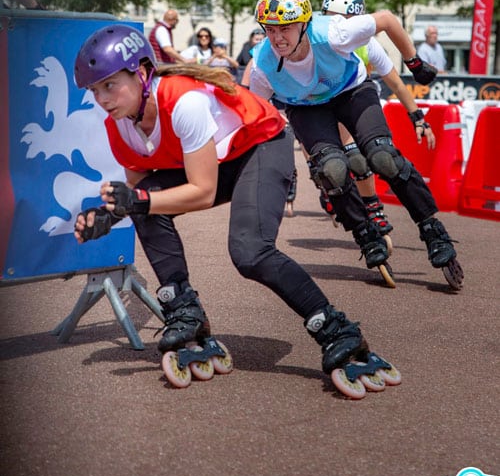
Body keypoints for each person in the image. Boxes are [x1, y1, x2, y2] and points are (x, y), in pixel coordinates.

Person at [72, 23, 391, 390]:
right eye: (95, 90)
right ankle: (184, 312)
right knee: (147, 205)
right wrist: (109, 214)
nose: (102, 98)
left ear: (142, 72)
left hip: (263, 146)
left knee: (250, 252)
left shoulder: (182, 101)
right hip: (222, 159)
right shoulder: (119, 125)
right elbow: (139, 190)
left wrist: (136, 202)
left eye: (109, 84)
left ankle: (338, 330)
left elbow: (202, 192)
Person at [249, 0, 462, 285]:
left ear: (305, 24)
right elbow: (256, 113)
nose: (277, 38)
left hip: (352, 92)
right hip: (307, 108)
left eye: (285, 28)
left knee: (382, 158)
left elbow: (387, 19)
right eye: (269, 30)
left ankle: (432, 228)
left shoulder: (336, 32)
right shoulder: (263, 64)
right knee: (332, 171)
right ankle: (364, 231)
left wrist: (414, 62)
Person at [319, 0, 436, 238]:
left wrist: (418, 117)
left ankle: (373, 208)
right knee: (345, 162)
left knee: (374, 158)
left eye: (347, 20)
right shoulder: (319, 40)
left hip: (355, 99)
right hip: (323, 103)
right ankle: (332, 186)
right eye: (330, 17)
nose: (339, 25)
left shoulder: (365, 43)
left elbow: (395, 82)